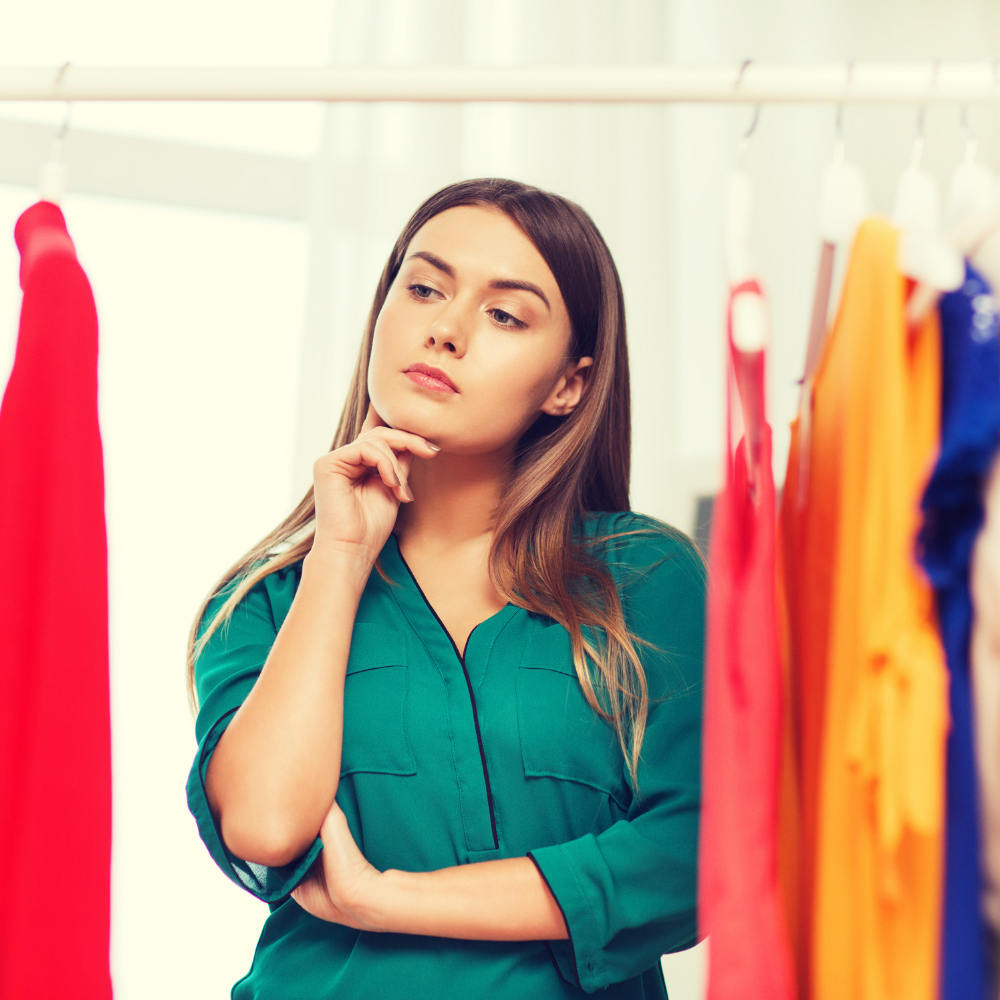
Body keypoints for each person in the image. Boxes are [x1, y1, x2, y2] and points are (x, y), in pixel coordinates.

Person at [185, 178, 705, 999]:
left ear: (570, 383)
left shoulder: (646, 582)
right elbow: (264, 826)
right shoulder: (266, 603)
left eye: (506, 314)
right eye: (424, 288)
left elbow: (694, 857)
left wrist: (385, 899)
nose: (446, 329)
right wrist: (342, 557)